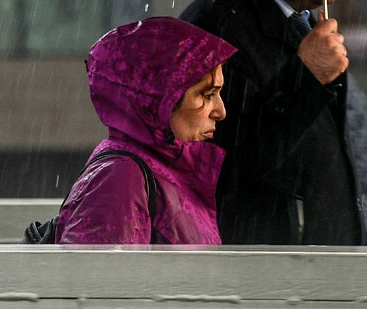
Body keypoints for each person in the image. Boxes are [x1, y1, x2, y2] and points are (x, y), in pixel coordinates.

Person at [179, 0, 364, 245]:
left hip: (315, 277)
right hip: (267, 284)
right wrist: (306, 78)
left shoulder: (301, 23)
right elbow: (221, 168)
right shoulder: (213, 29)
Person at [55, 17, 237, 244]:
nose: (221, 112)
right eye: (207, 95)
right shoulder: (121, 178)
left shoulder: (159, 167)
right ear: (158, 98)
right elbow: (96, 277)